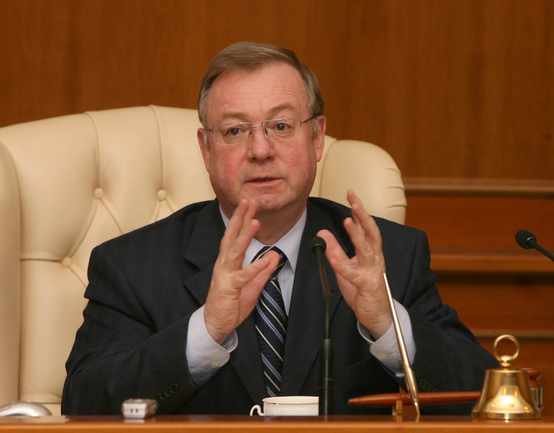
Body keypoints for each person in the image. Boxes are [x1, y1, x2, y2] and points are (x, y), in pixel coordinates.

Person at [62, 42, 498, 416]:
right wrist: (206, 331)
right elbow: (83, 404)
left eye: (282, 126)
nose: (260, 149)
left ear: (317, 137)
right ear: (206, 149)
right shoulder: (132, 265)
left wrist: (387, 325)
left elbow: (485, 399)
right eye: (235, 130)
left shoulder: (392, 256)